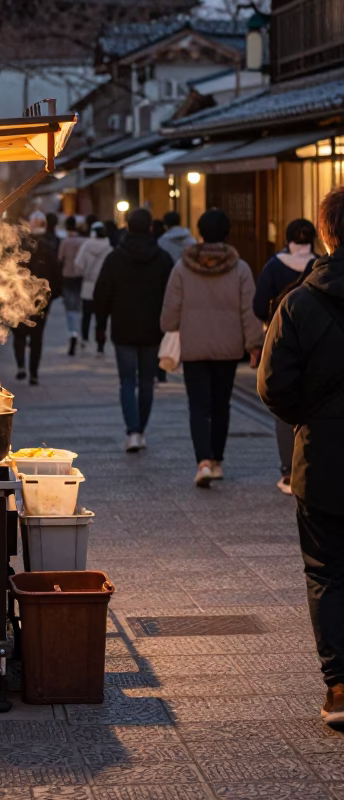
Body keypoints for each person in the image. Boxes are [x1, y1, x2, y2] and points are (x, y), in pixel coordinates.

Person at [258, 186, 344, 726]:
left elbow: (272, 387)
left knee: (328, 572)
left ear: (326, 234)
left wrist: (308, 420)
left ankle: (340, 688)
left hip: (325, 458)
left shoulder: (299, 302)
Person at [160, 208, 260, 487]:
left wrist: (170, 325)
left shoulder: (183, 267)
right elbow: (248, 311)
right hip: (228, 348)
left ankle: (202, 461)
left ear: (200, 232)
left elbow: (169, 314)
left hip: (194, 346)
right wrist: (254, 345)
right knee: (221, 405)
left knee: (198, 406)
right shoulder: (240, 268)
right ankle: (217, 461)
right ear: (227, 233)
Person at [93, 207, 173, 451]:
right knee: (146, 381)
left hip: (123, 328)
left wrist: (100, 325)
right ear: (150, 228)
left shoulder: (115, 258)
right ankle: (142, 429)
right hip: (152, 329)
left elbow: (101, 294)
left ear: (127, 226)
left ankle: (133, 431)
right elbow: (171, 295)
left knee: (127, 381)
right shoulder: (162, 258)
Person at [254, 218, 317, 495]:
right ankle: (312, 464)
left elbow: (258, 305)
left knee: (282, 400)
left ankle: (288, 470)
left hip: (279, 339)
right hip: (316, 341)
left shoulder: (273, 266)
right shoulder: (320, 265)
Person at [12, 226, 61, 385]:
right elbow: (55, 279)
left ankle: (24, 368)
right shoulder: (48, 253)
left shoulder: (17, 252)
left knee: (22, 335)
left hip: (22, 302)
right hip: (36, 302)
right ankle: (32, 372)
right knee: (35, 338)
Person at [74, 222, 112, 353]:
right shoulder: (109, 247)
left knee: (86, 315)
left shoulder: (86, 245)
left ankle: (84, 339)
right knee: (101, 318)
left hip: (88, 285)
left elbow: (78, 264)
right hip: (103, 287)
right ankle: (100, 343)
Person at [58, 215, 85, 356]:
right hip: (80, 276)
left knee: (70, 308)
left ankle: (72, 332)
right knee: (78, 306)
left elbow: (60, 258)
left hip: (67, 276)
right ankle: (78, 333)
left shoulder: (65, 242)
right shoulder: (82, 241)